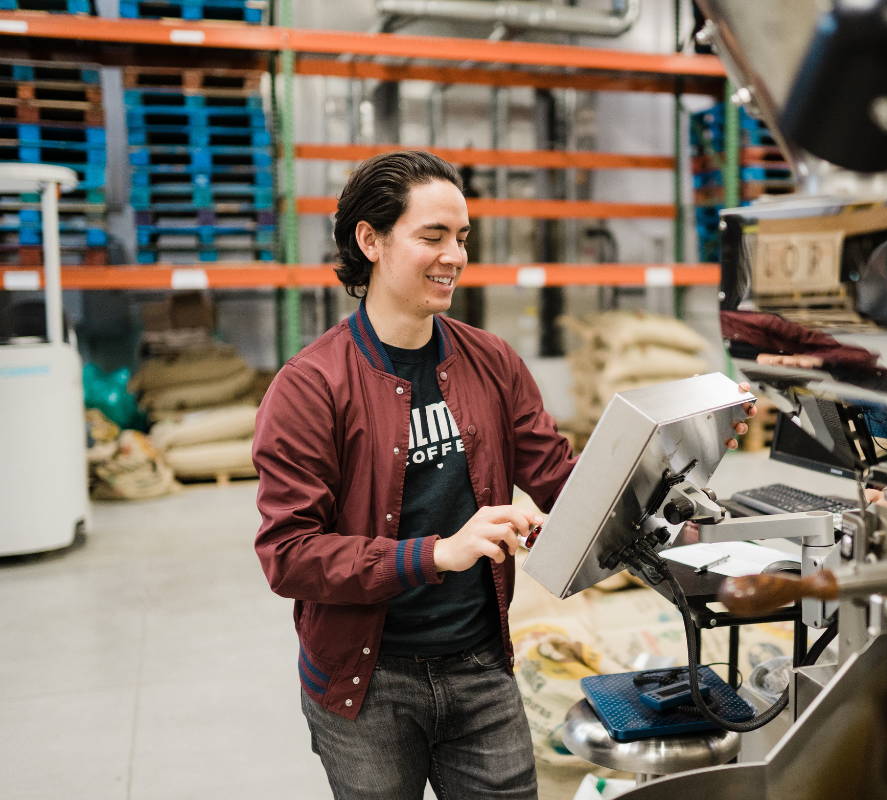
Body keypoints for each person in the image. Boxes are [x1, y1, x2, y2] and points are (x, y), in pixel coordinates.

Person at [252, 150, 754, 800]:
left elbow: (563, 482)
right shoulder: (311, 387)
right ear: (370, 240)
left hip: (479, 667)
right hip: (367, 685)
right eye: (432, 236)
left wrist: (675, 496)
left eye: (461, 237)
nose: (455, 256)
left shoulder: (489, 361)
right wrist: (437, 553)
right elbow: (288, 556)